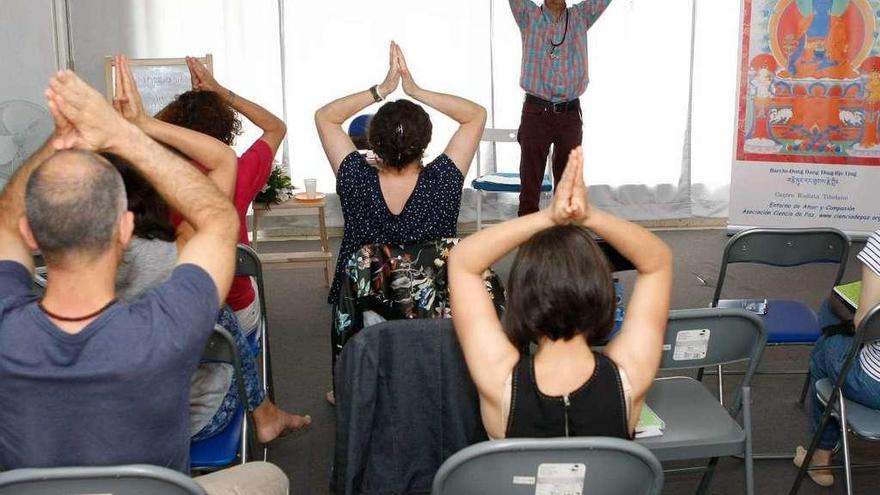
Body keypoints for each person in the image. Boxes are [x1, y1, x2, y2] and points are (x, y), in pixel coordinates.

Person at [0, 70, 286, 493]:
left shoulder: (7, 325)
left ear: (31, 234)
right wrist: (126, 132)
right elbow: (218, 216)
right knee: (272, 477)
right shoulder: (168, 326)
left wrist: (59, 137)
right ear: (123, 228)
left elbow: (5, 216)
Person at [449, 147, 672, 439]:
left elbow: (463, 260)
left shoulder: (498, 380)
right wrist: (589, 215)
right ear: (603, 295)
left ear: (521, 299)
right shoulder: (629, 377)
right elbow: (658, 261)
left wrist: (548, 217)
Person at [315, 42, 486, 387]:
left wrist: (383, 89)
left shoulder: (354, 178)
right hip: (431, 310)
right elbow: (475, 114)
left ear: (373, 143)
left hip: (366, 311)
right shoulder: (444, 180)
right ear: (425, 143)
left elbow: (325, 117)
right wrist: (415, 90)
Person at [109, 154, 310, 444]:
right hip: (194, 421)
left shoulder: (62, 284)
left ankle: (265, 413)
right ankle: (264, 412)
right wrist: (142, 128)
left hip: (111, 430)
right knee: (218, 314)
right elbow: (224, 161)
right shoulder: (177, 254)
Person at [115, 54, 286, 338]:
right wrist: (222, 92)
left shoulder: (156, 175)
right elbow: (276, 127)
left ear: (174, 126)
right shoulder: (239, 171)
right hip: (234, 307)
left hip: (166, 307)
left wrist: (139, 123)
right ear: (226, 129)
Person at [508, 0, 613, 216]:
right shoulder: (528, 15)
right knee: (530, 184)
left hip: (570, 114)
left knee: (569, 184)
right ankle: (529, 242)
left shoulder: (580, 16)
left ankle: (563, 240)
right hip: (536, 112)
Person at [793, 229, 880, 487]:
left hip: (874, 385)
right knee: (831, 317)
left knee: (825, 347)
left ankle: (820, 458)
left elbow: (865, 321)